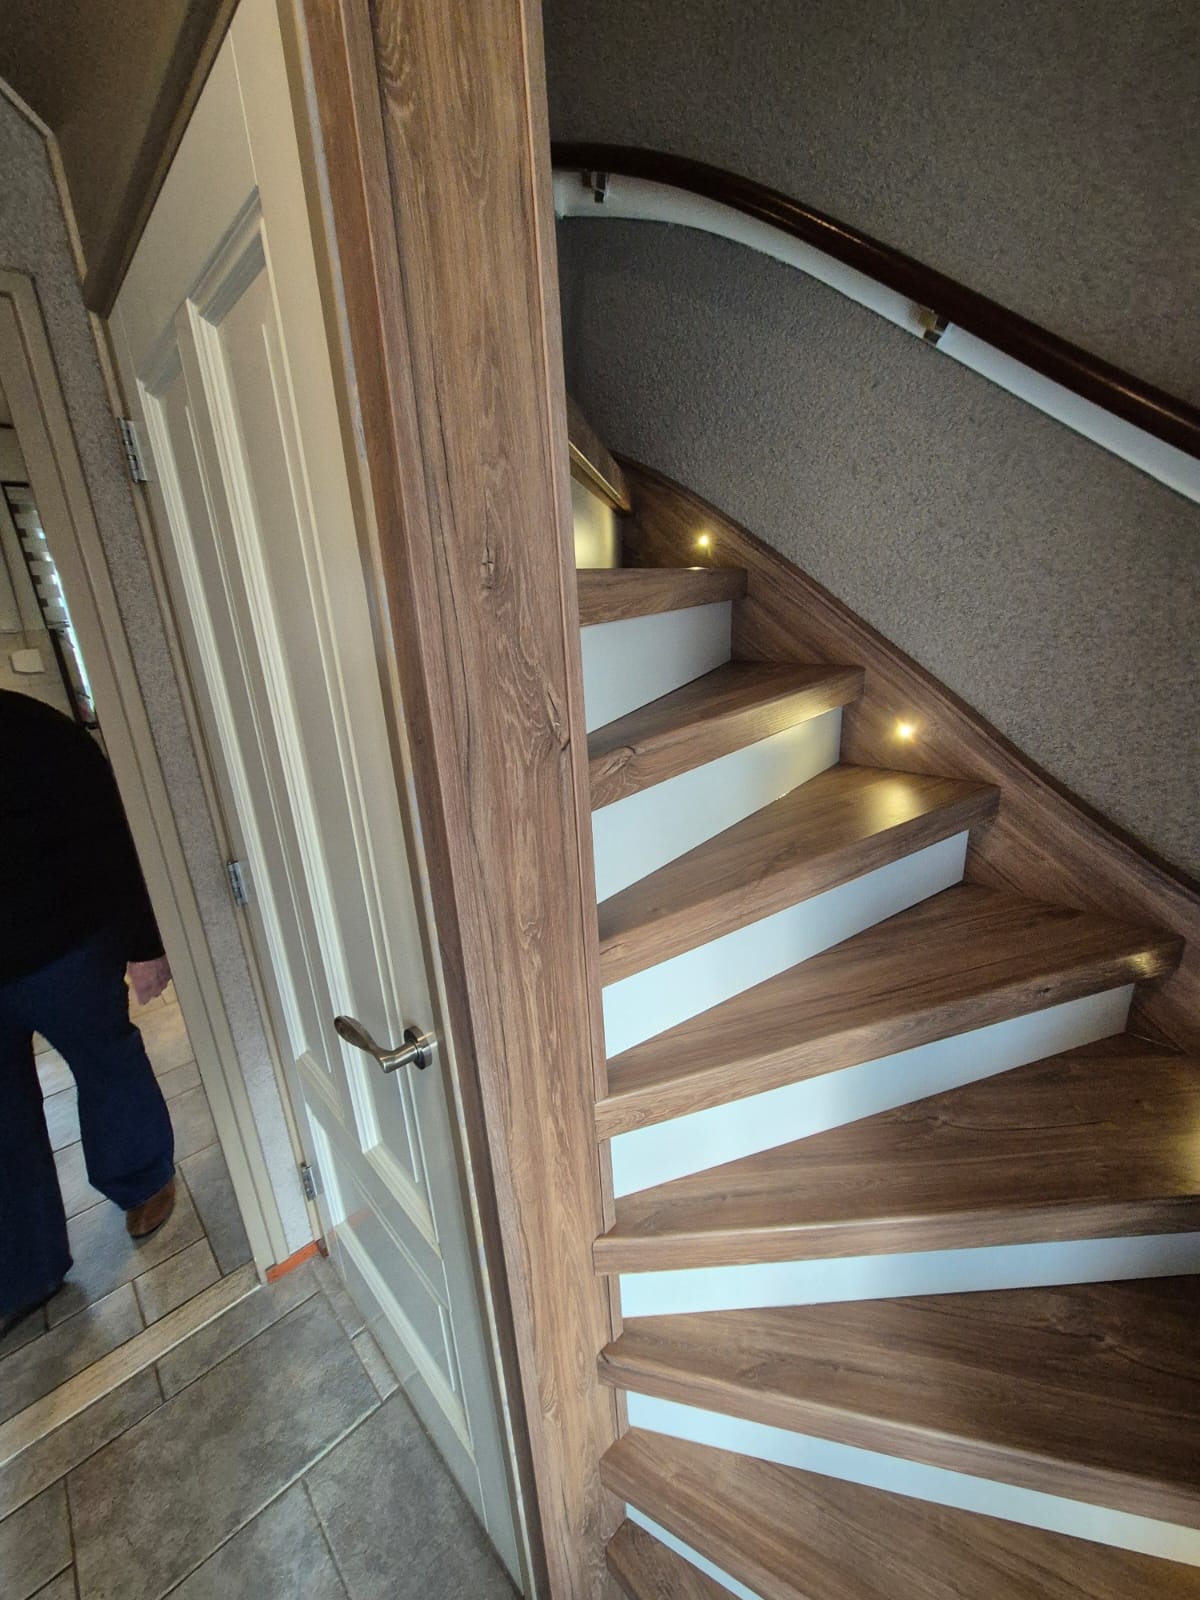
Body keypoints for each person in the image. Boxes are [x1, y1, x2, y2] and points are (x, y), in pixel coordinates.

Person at [1, 688, 176, 1336]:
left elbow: (111, 837)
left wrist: (145, 943)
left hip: (66, 948)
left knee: (108, 1066)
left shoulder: (32, 730)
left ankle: (142, 1180)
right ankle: (27, 1269)